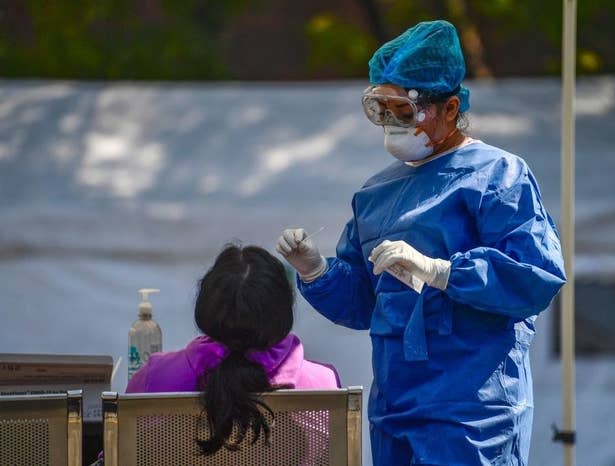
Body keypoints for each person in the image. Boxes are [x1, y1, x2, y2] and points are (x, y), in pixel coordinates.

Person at [276, 20, 566, 466]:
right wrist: (316, 271)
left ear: (450, 109)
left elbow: (536, 276)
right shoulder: (376, 194)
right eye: (382, 109)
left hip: (472, 408)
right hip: (394, 403)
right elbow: (364, 302)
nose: (392, 122)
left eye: (404, 110)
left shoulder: (497, 176)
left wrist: (443, 272)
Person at [126, 244, 340, 455]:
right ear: (283, 311)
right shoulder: (324, 384)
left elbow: (118, 455)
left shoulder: (154, 377)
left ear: (206, 307)